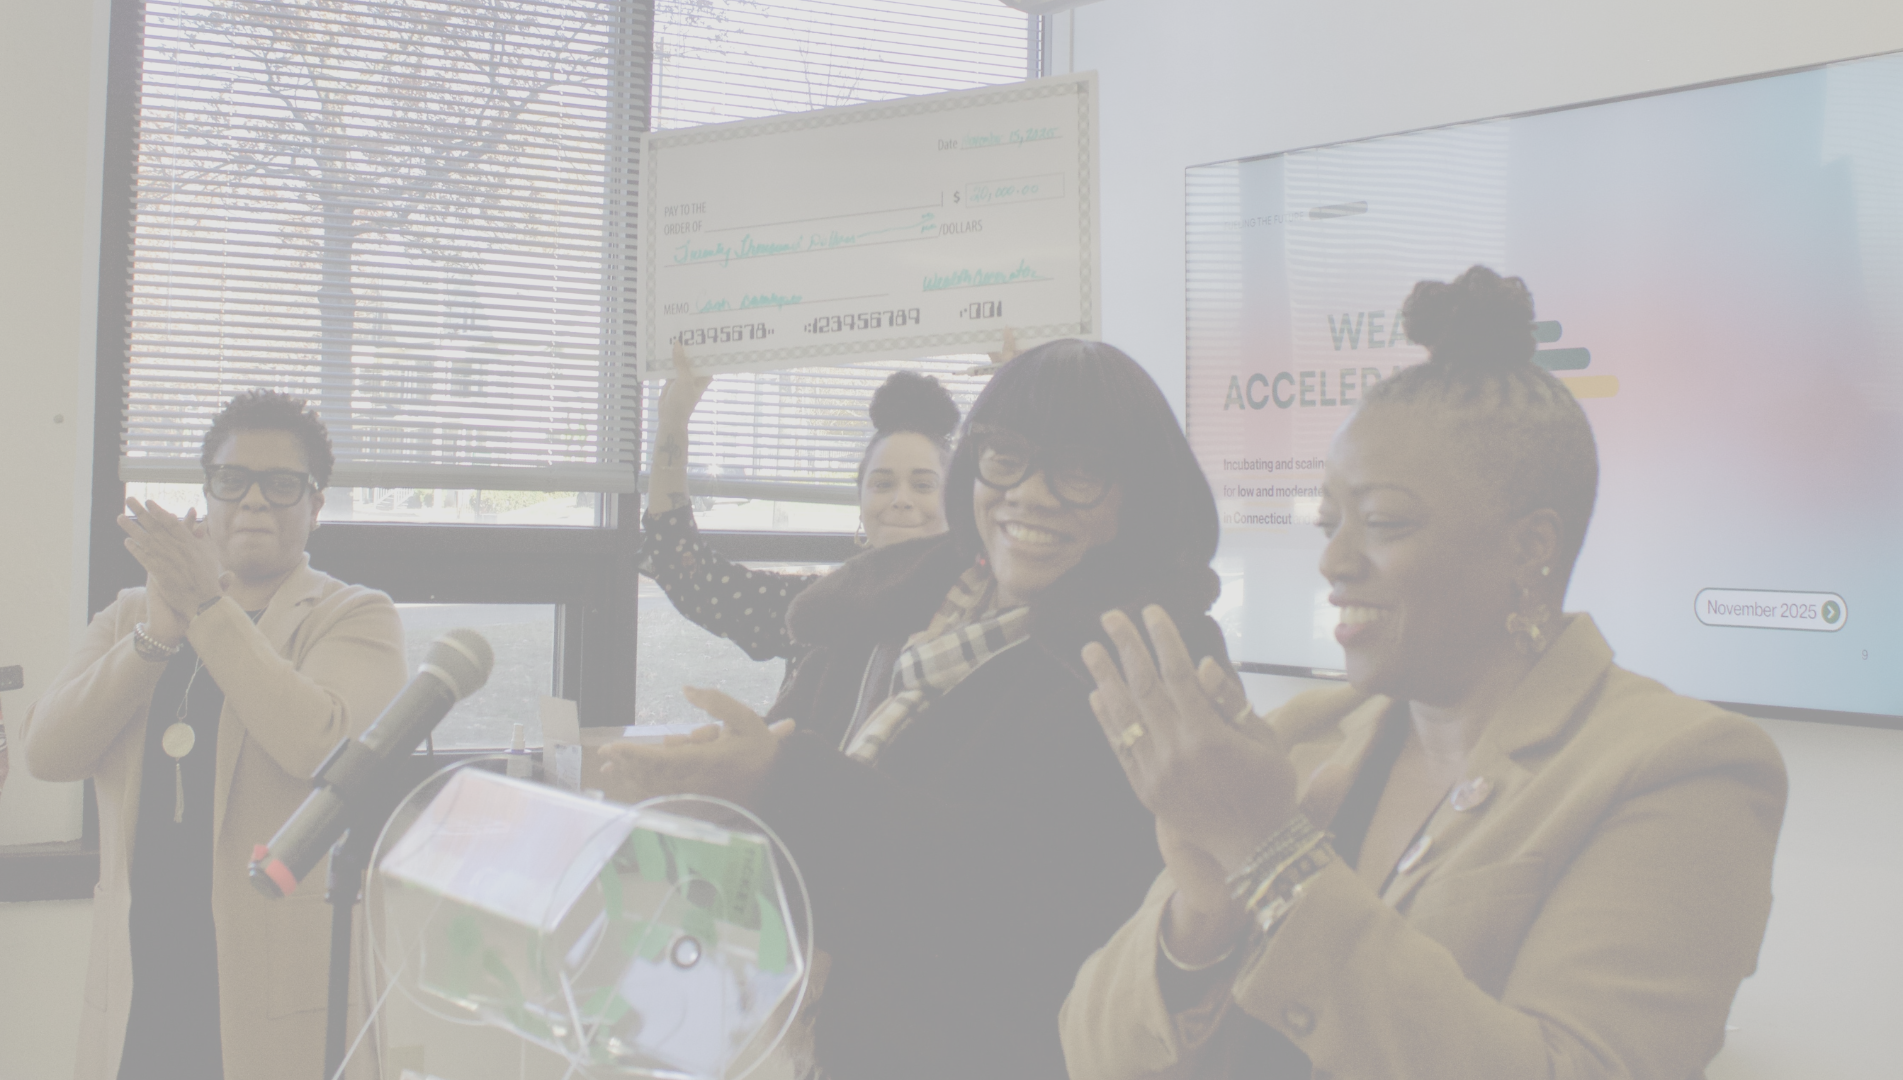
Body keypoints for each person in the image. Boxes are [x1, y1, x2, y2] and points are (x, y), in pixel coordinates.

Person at [1061, 267, 1788, 1080]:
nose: (1334, 561)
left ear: (1529, 547)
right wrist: (1204, 910)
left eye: (1384, 522)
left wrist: (1272, 861)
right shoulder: (1303, 738)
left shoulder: (1684, 767)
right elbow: (1093, 1052)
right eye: (1331, 522)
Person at [600, 339, 1234, 1079]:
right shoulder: (875, 601)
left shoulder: (1153, 661)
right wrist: (722, 792)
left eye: (1079, 471)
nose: (1030, 493)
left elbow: (1045, 907)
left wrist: (783, 781)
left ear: (1138, 495)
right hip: (782, 1032)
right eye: (1008, 457)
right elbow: (768, 743)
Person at [22, 391, 406, 1080]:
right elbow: (50, 752)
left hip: (270, 999)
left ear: (315, 506)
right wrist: (154, 639)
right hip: (141, 987)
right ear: (208, 497)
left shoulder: (355, 616)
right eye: (233, 481)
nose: (254, 501)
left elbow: (319, 745)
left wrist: (206, 604)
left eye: (281, 485)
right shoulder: (130, 615)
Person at [640, 345, 961, 665]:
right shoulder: (819, 609)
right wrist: (673, 423)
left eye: (922, 485)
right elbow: (689, 572)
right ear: (860, 501)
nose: (901, 499)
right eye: (883, 484)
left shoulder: (983, 607)